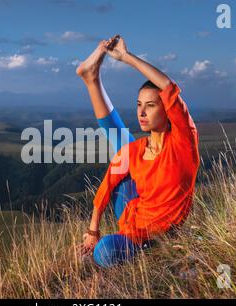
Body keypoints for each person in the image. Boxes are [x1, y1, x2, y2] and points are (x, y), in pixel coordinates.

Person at [75, 35, 200, 268]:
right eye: (139, 105)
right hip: (131, 217)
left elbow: (167, 87)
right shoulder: (137, 150)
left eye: (150, 105)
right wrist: (93, 230)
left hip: (155, 237)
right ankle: (91, 79)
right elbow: (107, 185)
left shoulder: (184, 143)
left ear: (168, 111)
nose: (141, 112)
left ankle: (92, 79)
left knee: (104, 253)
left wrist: (126, 57)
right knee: (124, 153)